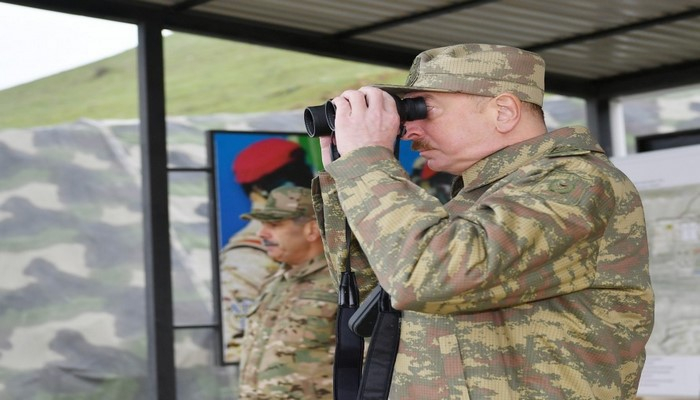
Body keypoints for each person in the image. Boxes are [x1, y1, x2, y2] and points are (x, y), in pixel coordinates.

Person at [311, 43, 654, 399]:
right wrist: (346, 173)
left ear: (503, 111)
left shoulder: (575, 183)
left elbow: (428, 278)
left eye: (422, 109)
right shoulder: (476, 201)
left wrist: (368, 162)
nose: (409, 130)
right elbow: (380, 298)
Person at [219, 138, 314, 363]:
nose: (306, 182)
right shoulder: (246, 257)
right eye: (291, 176)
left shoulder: (318, 235)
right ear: (261, 189)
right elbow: (238, 347)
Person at [238, 186, 336, 399]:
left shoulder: (346, 285)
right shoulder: (274, 282)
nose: (261, 233)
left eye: (274, 224)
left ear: (311, 229)